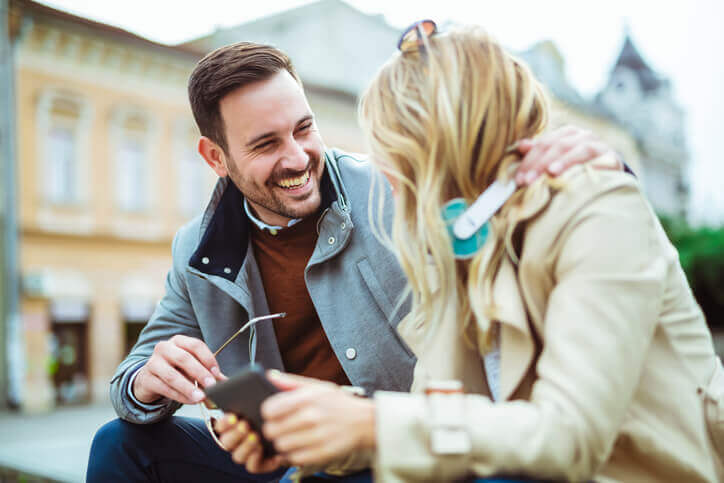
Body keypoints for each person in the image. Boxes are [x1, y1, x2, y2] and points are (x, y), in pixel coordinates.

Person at [87, 40, 627, 483]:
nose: (298, 158)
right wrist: (146, 382)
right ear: (216, 158)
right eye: (266, 144)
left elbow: (503, 196)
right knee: (119, 444)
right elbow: (127, 381)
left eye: (304, 128)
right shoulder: (198, 250)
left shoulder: (393, 190)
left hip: (397, 446)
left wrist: (593, 164)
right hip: (286, 456)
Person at [255, 23, 724, 482]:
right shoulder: (460, 244)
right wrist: (309, 424)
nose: (381, 172)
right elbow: (433, 422)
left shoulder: (597, 210)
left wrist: (372, 425)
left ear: (437, 142)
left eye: (391, 149)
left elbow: (569, 437)